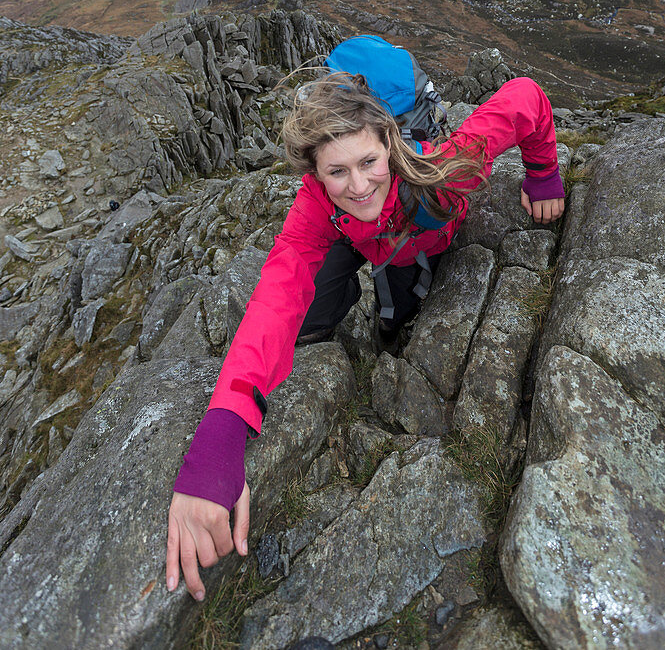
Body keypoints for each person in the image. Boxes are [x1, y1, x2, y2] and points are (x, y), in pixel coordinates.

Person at [166, 71, 565, 600]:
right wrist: (222, 428)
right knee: (303, 318)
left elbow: (527, 97)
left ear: (390, 145)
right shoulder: (317, 204)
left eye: (368, 162)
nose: (357, 184)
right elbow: (274, 300)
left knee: (400, 313)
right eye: (337, 171)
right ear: (314, 174)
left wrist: (542, 173)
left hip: (417, 237)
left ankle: (389, 322)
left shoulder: (446, 170)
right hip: (351, 234)